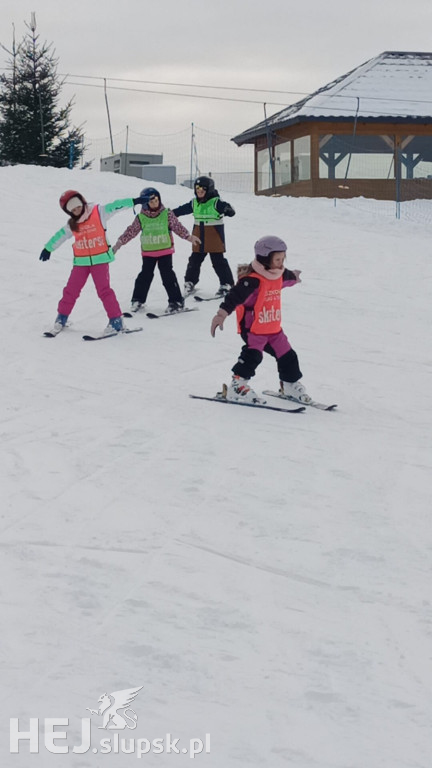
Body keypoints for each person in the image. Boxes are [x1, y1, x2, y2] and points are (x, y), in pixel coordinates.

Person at [210, 235, 312, 404]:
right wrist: (221, 314)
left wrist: (295, 276)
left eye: (282, 259)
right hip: (253, 329)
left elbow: (287, 277)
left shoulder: (278, 274)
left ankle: (289, 384)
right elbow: (234, 297)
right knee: (253, 356)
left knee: (288, 355)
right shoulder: (251, 281)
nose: (281, 262)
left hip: (273, 328)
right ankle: (237, 385)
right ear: (264, 258)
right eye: (277, 259)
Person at [40, 189, 145, 335]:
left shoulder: (98, 212)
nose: (77, 210)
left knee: (104, 291)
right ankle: (61, 317)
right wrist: (48, 248)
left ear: (82, 202)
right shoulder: (72, 224)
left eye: (78, 206)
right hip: (81, 263)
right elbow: (61, 235)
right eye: (73, 210)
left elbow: (116, 206)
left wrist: (134, 201)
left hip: (100, 260)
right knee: (71, 290)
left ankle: (116, 320)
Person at [112, 187, 200, 314]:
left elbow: (177, 227)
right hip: (148, 252)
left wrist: (188, 237)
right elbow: (131, 231)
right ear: (145, 204)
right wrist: (118, 244)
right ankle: (138, 300)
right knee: (145, 276)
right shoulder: (141, 218)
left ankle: (176, 301)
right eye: (151, 201)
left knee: (168, 276)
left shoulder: (167, 213)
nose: (155, 203)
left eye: (156, 200)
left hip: (165, 251)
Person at [172, 175, 235, 297]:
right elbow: (180, 210)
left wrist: (228, 209)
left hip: (214, 237)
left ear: (209, 190)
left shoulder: (216, 202)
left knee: (218, 261)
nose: (199, 191)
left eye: (203, 189)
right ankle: (190, 282)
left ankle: (226, 284)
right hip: (199, 237)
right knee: (194, 260)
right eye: (197, 188)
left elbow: (228, 209)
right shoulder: (194, 203)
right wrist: (168, 214)